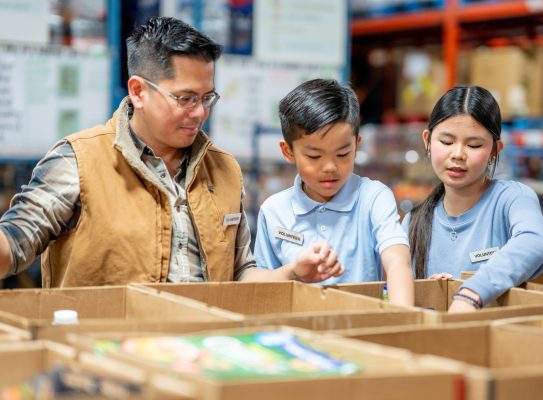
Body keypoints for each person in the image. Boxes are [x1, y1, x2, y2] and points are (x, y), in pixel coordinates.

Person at [0, 17, 343, 287]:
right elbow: (13, 244)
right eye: (185, 98)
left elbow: (240, 276)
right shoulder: (78, 161)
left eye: (207, 97)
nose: (200, 112)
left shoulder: (223, 169)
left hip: (201, 357)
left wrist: (294, 272)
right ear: (138, 91)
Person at [253, 78, 414, 306]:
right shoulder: (274, 210)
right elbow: (262, 281)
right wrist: (294, 271)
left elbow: (397, 260)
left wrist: (404, 319)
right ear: (288, 152)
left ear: (357, 145)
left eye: (342, 154)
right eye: (314, 156)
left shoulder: (373, 197)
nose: (330, 167)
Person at [401, 85, 543, 313]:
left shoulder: (512, 199)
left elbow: (534, 243)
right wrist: (432, 295)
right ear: (428, 141)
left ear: (494, 150)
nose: (458, 154)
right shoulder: (413, 223)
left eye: (474, 145)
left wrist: (471, 293)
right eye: (447, 142)